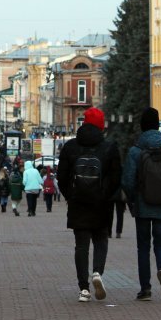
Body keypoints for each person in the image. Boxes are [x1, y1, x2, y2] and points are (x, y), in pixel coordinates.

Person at [56, 107, 122, 302]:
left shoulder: (71, 147)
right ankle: (97, 273)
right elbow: (117, 177)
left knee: (81, 245)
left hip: (78, 203)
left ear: (83, 123)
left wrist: (71, 195)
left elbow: (61, 176)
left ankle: (83, 289)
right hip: (101, 204)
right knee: (101, 240)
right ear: (102, 125)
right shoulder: (109, 147)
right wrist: (106, 195)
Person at [122, 107, 161, 302]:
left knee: (143, 247)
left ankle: (145, 289)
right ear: (158, 125)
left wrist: (132, 199)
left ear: (142, 126)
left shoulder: (136, 151)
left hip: (142, 204)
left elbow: (128, 181)